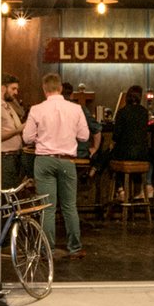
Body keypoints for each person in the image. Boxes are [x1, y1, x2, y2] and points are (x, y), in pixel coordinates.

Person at [22, 72, 93, 258]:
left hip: (44, 160)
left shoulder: (37, 109)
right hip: (66, 161)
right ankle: (75, 248)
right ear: (60, 88)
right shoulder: (76, 109)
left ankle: (48, 249)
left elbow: (27, 137)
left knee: (47, 207)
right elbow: (84, 136)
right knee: (69, 206)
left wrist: (42, 137)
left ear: (44, 89)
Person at [0, 76, 26, 191]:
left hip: (15, 156)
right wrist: (19, 129)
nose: (16, 92)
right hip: (6, 157)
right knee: (8, 194)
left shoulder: (8, 105)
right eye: (13, 89)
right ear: (3, 88)